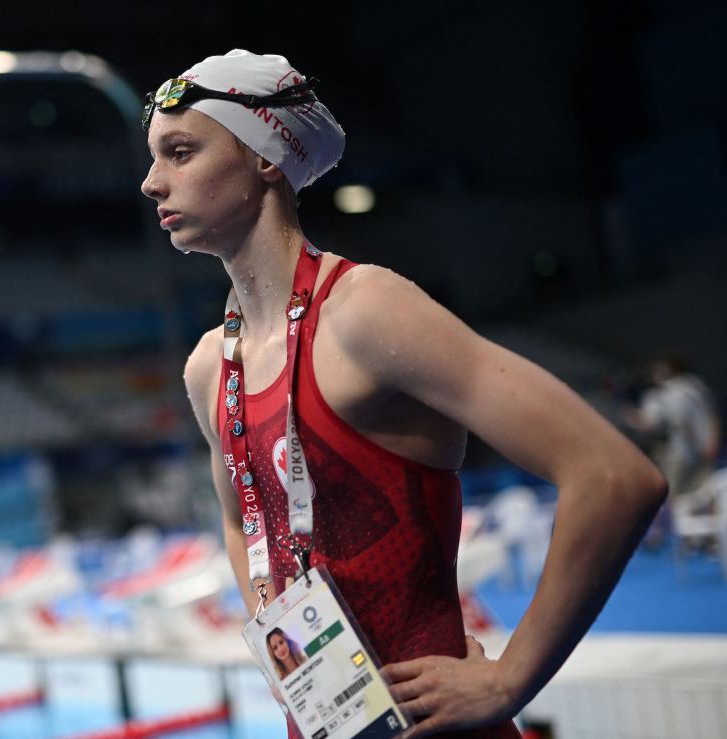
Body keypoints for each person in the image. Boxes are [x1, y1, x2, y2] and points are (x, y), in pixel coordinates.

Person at [140, 50, 667, 738]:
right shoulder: (211, 365)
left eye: (180, 152)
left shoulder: (364, 314)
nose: (152, 182)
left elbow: (613, 474)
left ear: (265, 157)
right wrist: (294, 660)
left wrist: (511, 678)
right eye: (153, 158)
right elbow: (245, 522)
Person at [626, 357, 721, 549]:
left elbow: (671, 423)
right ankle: (706, 538)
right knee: (705, 493)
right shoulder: (695, 384)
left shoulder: (668, 393)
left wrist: (632, 417)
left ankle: (684, 537)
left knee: (677, 496)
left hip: (685, 453)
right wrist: (712, 442)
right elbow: (712, 414)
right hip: (704, 449)